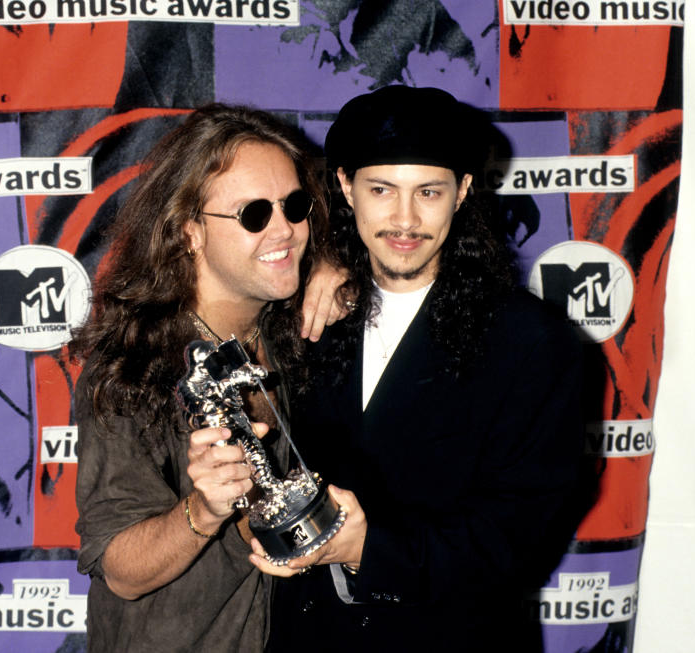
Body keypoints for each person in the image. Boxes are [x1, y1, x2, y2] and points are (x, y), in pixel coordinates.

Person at [252, 86, 584, 651]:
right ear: (344, 188)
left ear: (463, 194)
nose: (404, 220)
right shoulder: (305, 312)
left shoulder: (532, 341)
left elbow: (521, 538)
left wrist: (368, 549)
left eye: (428, 192)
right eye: (382, 190)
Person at [71, 103, 345, 652]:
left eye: (294, 206)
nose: (285, 230)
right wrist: (203, 509)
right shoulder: (135, 367)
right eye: (253, 215)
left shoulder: (296, 335)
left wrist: (342, 270)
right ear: (189, 231)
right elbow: (121, 569)